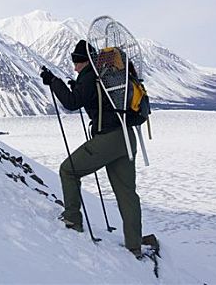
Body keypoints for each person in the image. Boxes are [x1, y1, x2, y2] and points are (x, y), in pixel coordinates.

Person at [40, 40, 142, 258]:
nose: (75, 67)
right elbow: (92, 96)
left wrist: (53, 82)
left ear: (84, 61)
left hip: (108, 139)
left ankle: (72, 219)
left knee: (68, 170)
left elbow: (71, 102)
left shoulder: (89, 76)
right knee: (127, 195)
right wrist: (75, 85)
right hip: (126, 137)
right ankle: (134, 246)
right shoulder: (106, 75)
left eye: (76, 62)